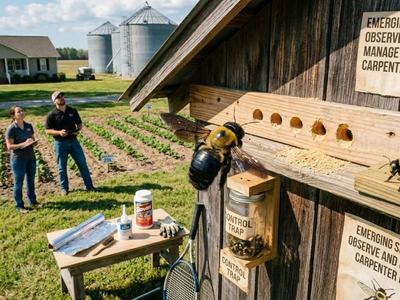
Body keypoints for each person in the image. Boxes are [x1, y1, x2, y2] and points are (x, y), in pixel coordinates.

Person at [45, 91, 95, 195]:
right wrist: (59, 132)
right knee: (61, 167)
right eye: (58, 97)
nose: (61, 98)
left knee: (82, 164)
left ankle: (89, 186)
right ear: (54, 101)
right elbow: (47, 130)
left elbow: (80, 124)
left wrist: (78, 130)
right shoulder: (51, 115)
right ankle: (64, 188)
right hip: (60, 143)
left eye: (62, 96)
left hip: (74, 141)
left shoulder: (72, 111)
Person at [5, 106, 41, 213]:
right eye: (18, 111)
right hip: (18, 159)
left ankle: (33, 201)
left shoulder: (29, 126)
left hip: (30, 157)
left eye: (22, 111)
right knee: (18, 182)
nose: (21, 112)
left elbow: (33, 140)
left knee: (31, 180)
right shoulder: (11, 128)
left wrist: (33, 142)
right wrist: (24, 144)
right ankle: (19, 205)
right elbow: (9, 146)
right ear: (13, 115)